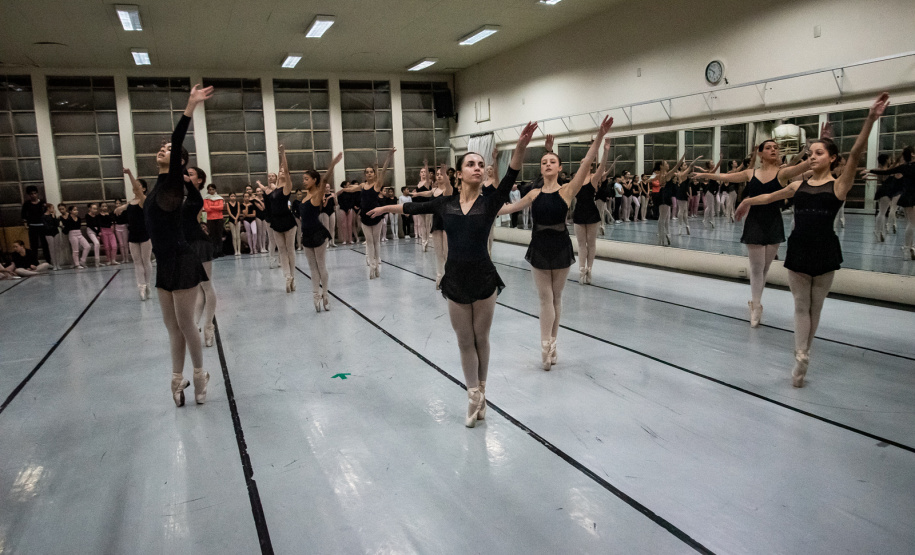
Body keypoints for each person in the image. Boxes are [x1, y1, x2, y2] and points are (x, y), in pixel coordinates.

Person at [369, 122, 538, 428]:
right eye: (470, 164)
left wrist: (521, 147)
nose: (477, 168)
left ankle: (482, 390)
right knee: (464, 341)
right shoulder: (445, 204)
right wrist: (385, 209)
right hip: (455, 280)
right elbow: (413, 208)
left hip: (484, 279)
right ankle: (472, 395)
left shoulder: (490, 203)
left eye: (481, 165)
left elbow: (512, 173)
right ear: (459, 173)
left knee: (481, 338)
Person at [735, 92, 888, 387]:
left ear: (832, 159)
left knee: (815, 307)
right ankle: (801, 355)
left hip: (826, 251)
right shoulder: (798, 185)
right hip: (799, 249)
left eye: (819, 153)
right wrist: (747, 202)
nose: (812, 157)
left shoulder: (839, 185)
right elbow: (770, 195)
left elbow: (856, 153)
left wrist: (870, 119)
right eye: (811, 153)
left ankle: (806, 351)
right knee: (800, 305)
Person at [501, 118, 614, 369]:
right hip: (539, 247)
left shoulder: (567, 190)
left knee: (556, 299)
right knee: (544, 299)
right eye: (544, 162)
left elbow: (586, 163)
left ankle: (554, 343)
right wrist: (483, 205)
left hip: (561, 247)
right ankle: (545, 346)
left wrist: (598, 137)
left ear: (560, 168)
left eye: (552, 161)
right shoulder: (533, 193)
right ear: (541, 169)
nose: (548, 164)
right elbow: (506, 208)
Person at [144, 84, 213, 407]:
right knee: (172, 327)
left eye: (169, 149)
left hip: (183, 261)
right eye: (161, 147)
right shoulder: (155, 188)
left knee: (186, 325)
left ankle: (199, 374)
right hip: (164, 265)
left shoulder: (172, 183)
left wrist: (190, 106)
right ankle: (177, 378)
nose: (163, 149)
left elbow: (179, 137)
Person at [694, 139, 813, 326]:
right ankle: (756, 305)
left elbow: (807, 164)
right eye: (769, 148)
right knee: (757, 268)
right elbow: (725, 177)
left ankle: (755, 301)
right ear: (760, 153)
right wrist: (707, 175)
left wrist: (818, 145)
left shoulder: (783, 173)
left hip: (774, 222)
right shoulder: (751, 173)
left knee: (765, 267)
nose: (773, 150)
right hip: (754, 222)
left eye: (776, 148)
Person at [339, 149, 396, 279]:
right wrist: (341, 190)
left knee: (376, 241)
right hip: (365, 216)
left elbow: (384, 171)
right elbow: (350, 189)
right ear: (364, 174)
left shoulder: (377, 185)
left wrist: (388, 157)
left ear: (374, 174)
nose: (369, 174)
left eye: (371, 172)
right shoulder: (363, 185)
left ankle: (376, 263)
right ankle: (371, 265)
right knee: (369, 241)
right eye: (367, 172)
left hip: (375, 215)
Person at [298, 152, 343, 311]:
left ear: (314, 180)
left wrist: (332, 164)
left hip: (318, 233)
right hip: (306, 235)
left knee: (321, 265)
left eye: (306, 179)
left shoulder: (317, 194)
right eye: (303, 179)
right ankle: (315, 294)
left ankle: (325, 294)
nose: (304, 181)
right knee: (312, 268)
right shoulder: (304, 196)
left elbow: (325, 180)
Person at [572, 138, 615, 284]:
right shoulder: (576, 180)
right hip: (578, 213)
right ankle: (581, 269)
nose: (584, 164)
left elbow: (602, 166)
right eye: (582, 162)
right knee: (580, 244)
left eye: (587, 162)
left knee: (591, 244)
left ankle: (589, 269)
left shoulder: (594, 178)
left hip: (591, 213)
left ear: (590, 165)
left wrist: (606, 150)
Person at [868, 146, 915, 259]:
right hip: (907, 195)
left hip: (906, 195)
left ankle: (907, 248)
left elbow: (888, 171)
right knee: (912, 223)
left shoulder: (903, 167)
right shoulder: (905, 167)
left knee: (910, 222)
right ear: (913, 154)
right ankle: (910, 247)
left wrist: (869, 171)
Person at [116, 169, 152, 300]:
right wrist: (121, 207)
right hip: (133, 234)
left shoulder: (144, 200)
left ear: (143, 189)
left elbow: (137, 192)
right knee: (137, 262)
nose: (135, 187)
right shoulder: (131, 202)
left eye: (138, 185)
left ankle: (147, 285)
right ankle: (141, 287)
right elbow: (129, 205)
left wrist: (130, 174)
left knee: (145, 260)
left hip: (145, 234)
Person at [272, 145, 303, 293]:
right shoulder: (276, 186)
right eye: (280, 171)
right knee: (282, 250)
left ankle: (293, 277)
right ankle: (287, 277)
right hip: (276, 221)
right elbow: (280, 170)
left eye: (284, 170)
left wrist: (283, 153)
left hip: (288, 221)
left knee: (290, 249)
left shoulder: (287, 186)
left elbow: (286, 169)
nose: (281, 171)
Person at [21, 185, 51, 264]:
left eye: (35, 193)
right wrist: (25, 224)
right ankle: (34, 262)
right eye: (31, 194)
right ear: (29, 195)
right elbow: (23, 215)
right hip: (32, 226)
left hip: (42, 226)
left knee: (45, 245)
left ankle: (48, 261)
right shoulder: (27, 204)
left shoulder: (42, 203)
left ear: (37, 193)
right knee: (34, 246)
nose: (33, 195)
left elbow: (47, 213)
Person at [203, 183, 225, 258]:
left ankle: (220, 251)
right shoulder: (206, 199)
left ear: (215, 190)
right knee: (212, 236)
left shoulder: (220, 198)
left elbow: (221, 207)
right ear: (208, 191)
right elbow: (206, 209)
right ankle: (214, 252)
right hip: (210, 219)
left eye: (213, 189)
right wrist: (215, 207)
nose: (211, 191)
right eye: (210, 189)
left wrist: (211, 207)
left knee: (219, 235)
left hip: (219, 218)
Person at [41, 203, 62, 271]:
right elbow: (46, 226)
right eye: (52, 208)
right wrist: (52, 226)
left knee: (57, 249)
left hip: (55, 232)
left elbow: (57, 224)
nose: (53, 209)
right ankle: (54, 264)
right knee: (52, 249)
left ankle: (58, 264)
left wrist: (53, 216)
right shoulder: (43, 216)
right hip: (48, 233)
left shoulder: (53, 215)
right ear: (48, 208)